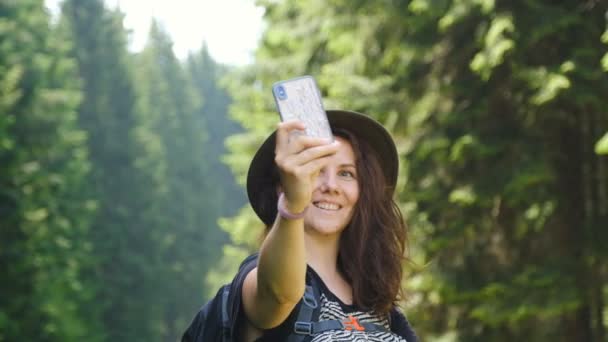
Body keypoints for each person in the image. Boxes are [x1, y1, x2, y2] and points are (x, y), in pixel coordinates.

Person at [187, 109, 417, 342]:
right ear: (281, 187)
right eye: (315, 171)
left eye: (346, 173)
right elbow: (280, 295)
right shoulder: (259, 280)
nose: (331, 186)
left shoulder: (378, 305)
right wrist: (294, 204)